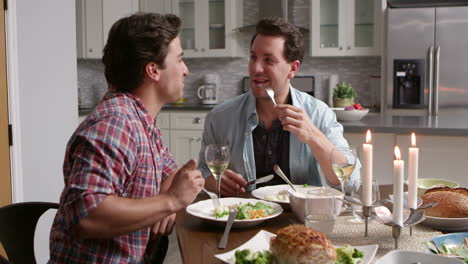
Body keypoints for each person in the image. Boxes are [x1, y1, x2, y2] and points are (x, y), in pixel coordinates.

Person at [49, 13, 204, 263]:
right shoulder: (117, 122)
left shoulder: (142, 120)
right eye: (180, 59)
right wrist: (170, 201)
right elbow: (86, 216)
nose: (186, 70)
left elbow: (169, 175)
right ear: (153, 70)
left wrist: (181, 192)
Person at [199, 16, 357, 196]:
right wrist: (213, 181)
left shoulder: (319, 114)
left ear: (293, 69)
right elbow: (203, 170)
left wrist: (313, 136)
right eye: (253, 57)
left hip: (301, 219)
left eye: (268, 60)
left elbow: (350, 183)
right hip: (244, 218)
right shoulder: (220, 117)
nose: (256, 68)